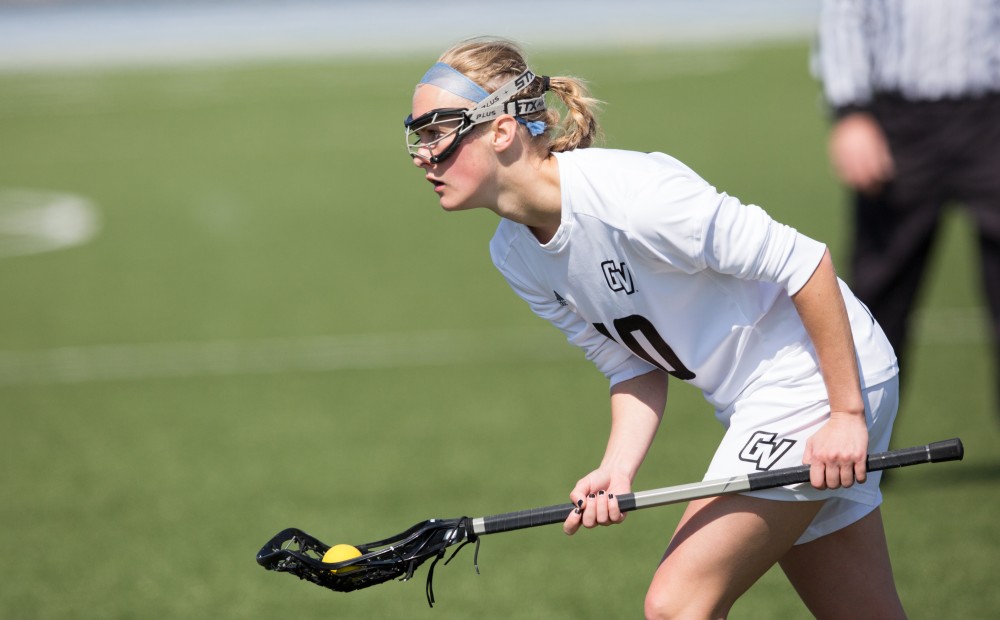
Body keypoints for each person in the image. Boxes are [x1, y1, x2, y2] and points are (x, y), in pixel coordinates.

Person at [405, 37, 904, 619]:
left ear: (500, 130)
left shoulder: (632, 196)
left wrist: (844, 413)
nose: (423, 154)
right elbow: (631, 362)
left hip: (816, 384)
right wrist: (617, 467)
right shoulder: (514, 253)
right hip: (769, 399)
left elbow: (805, 262)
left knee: (676, 605)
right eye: (417, 136)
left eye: (437, 131)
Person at [813, 0, 1000, 407]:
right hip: (899, 122)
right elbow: (846, 11)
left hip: (991, 115)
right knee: (881, 291)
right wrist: (851, 111)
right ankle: (858, 447)